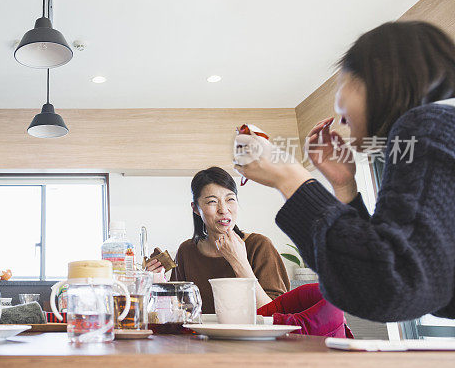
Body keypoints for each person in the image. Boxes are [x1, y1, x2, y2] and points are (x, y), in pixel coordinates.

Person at [235, 21, 455, 322]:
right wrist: (345, 188)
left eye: (343, 84)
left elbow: (390, 287)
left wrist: (290, 178)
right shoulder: (441, 128)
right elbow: (427, 284)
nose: (339, 111)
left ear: (377, 75)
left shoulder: (427, 125)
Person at [145, 166, 289, 313]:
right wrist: (157, 283)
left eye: (230, 199)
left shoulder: (259, 245)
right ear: (196, 208)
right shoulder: (186, 251)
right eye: (212, 202)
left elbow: (275, 315)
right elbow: (177, 312)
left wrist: (239, 263)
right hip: (198, 336)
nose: (224, 209)